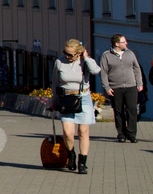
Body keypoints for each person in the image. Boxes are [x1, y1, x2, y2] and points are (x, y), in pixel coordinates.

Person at [54, 38, 101, 174]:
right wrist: (53, 99)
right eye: (65, 53)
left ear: (78, 53)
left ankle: (83, 162)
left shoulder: (84, 62)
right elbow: (55, 82)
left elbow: (96, 71)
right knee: (68, 133)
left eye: (70, 54)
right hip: (65, 99)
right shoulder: (60, 61)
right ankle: (71, 155)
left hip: (83, 98)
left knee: (83, 132)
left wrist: (86, 58)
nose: (67, 56)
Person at [99, 33, 142, 143]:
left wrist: (139, 83)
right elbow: (103, 73)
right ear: (117, 44)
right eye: (124, 42)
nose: (126, 43)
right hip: (115, 87)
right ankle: (121, 133)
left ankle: (131, 134)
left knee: (132, 110)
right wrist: (107, 87)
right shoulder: (106, 55)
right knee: (118, 111)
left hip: (131, 86)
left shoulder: (130, 53)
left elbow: (136, 68)